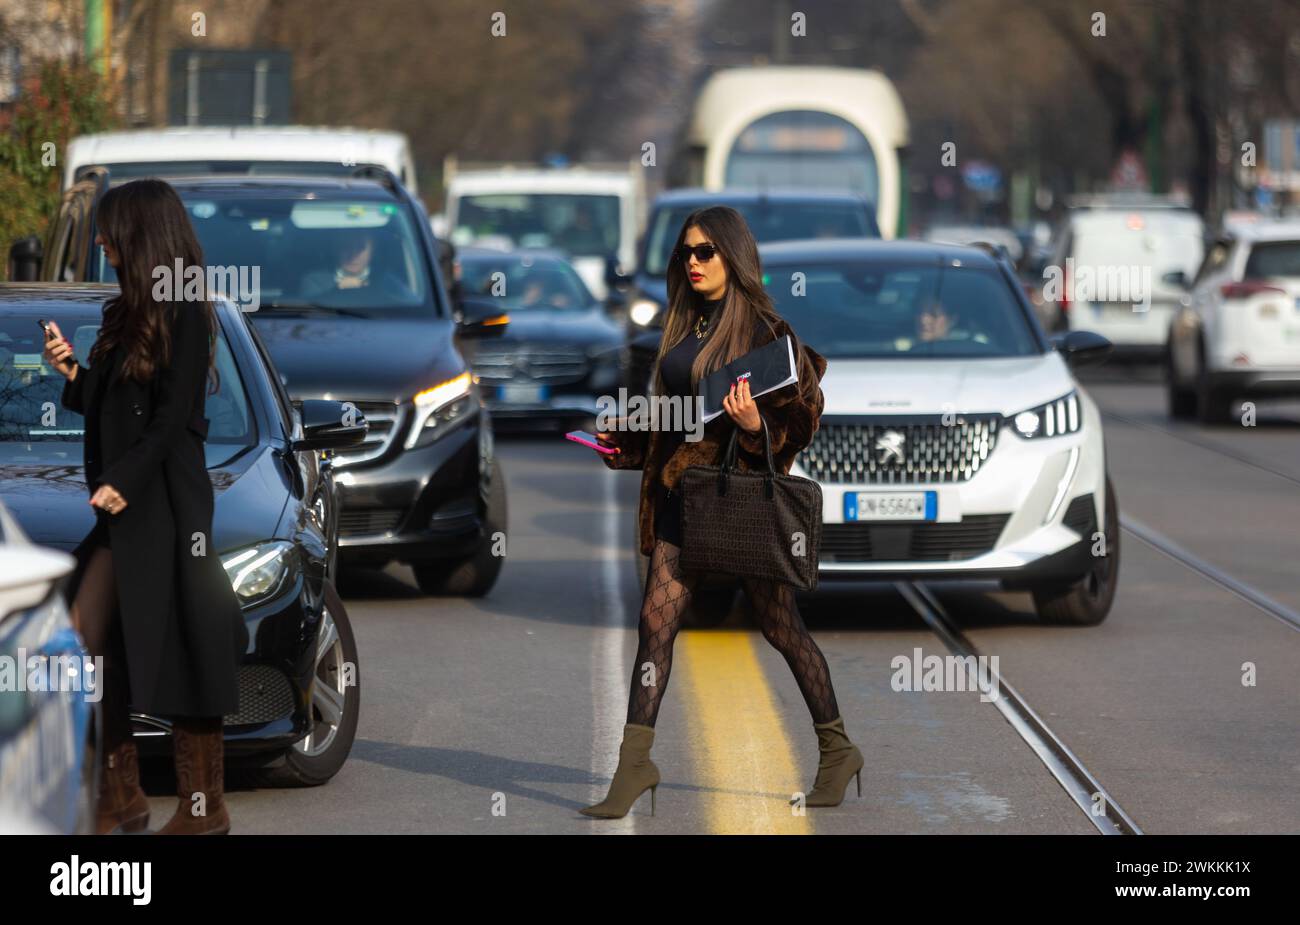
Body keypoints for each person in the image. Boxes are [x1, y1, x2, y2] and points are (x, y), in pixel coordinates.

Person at [581, 206, 862, 818]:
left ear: (733, 257)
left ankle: (838, 751)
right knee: (655, 626)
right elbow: (678, 425)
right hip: (681, 502)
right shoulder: (685, 327)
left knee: (780, 627)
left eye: (706, 252)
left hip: (739, 502)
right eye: (686, 252)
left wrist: (758, 424)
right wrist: (626, 440)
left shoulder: (767, 334)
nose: (694, 262)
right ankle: (634, 767)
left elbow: (805, 416)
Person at [43, 178, 247, 835]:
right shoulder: (123, 310)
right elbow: (115, 404)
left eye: (109, 230)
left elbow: (170, 419)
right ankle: (119, 794)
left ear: (141, 233)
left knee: (186, 645)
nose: (100, 241)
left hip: (166, 505)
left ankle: (201, 807)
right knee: (88, 634)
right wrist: (73, 373)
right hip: (124, 509)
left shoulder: (186, 308)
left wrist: (125, 480)